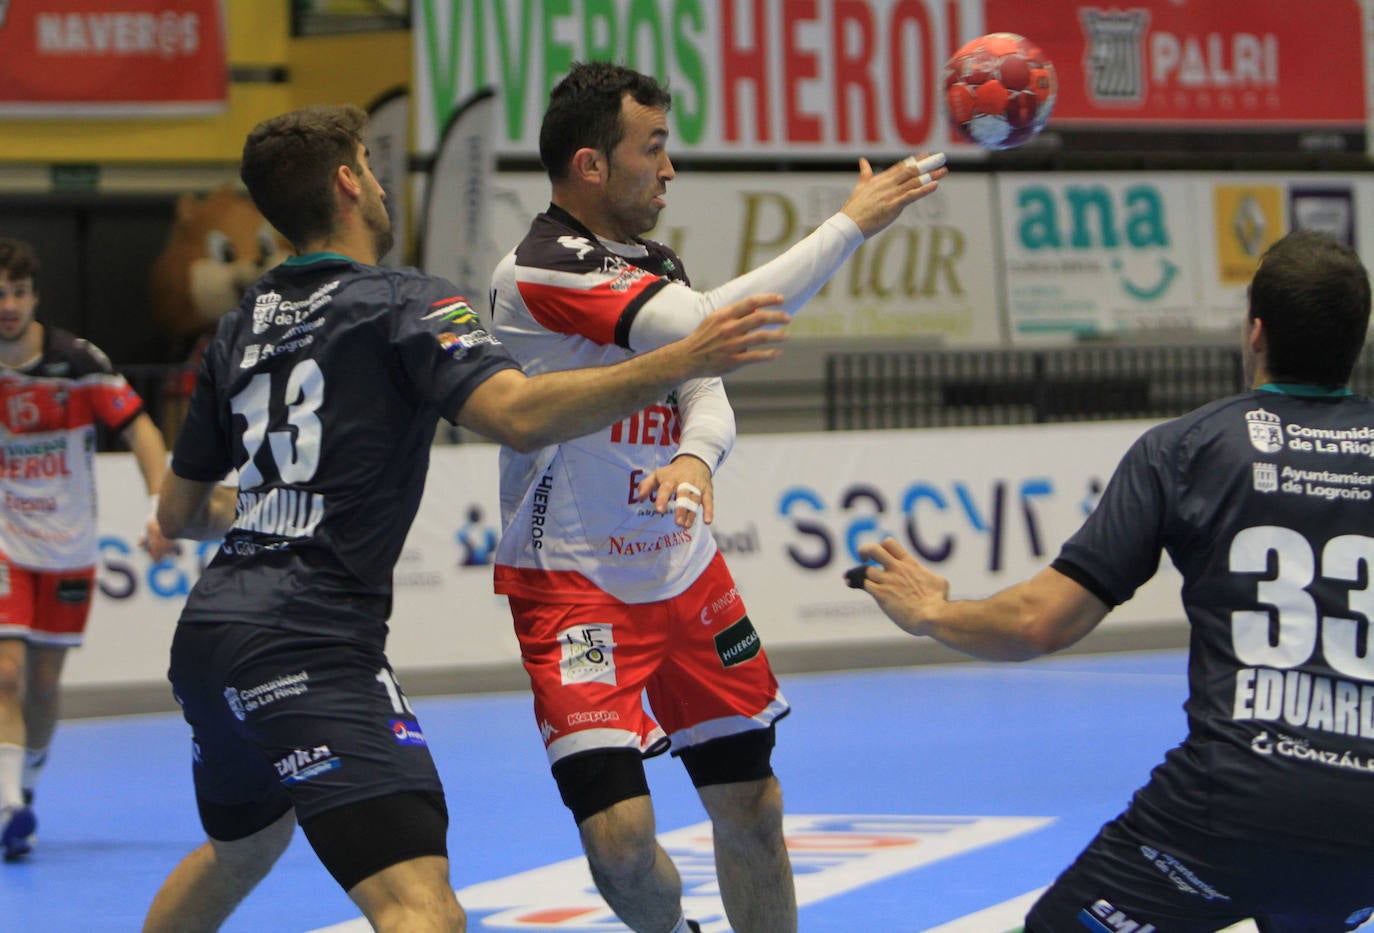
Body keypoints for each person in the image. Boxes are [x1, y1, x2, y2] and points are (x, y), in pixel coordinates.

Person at [140, 104, 788, 933]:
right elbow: (519, 414)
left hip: (209, 641)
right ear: (347, 182)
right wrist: (684, 357)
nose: (378, 179)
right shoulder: (402, 301)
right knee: (424, 910)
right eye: (369, 164)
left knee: (241, 849)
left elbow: (180, 512)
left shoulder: (240, 325)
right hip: (311, 641)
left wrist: (284, 507)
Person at [487, 60, 947, 933]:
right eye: (652, 148)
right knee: (620, 844)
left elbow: (705, 379)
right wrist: (850, 225)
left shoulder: (652, 260)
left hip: (686, 575)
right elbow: (707, 329)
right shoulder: (540, 270)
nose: (668, 169)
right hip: (574, 588)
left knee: (755, 807)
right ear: (591, 165)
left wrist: (696, 458)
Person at [851, 229, 1374, 930]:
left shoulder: (1187, 449)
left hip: (1220, 819)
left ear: (1256, 332)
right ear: (1358, 341)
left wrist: (935, 612)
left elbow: (1038, 621)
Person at [0, 237, 176, 861]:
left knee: (44, 687)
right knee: (7, 671)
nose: (8, 306)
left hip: (68, 549)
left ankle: (21, 791)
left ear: (35, 297)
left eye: (18, 293)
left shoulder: (77, 363)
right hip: (5, 544)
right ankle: (8, 806)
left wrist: (161, 506)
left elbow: (141, 429)